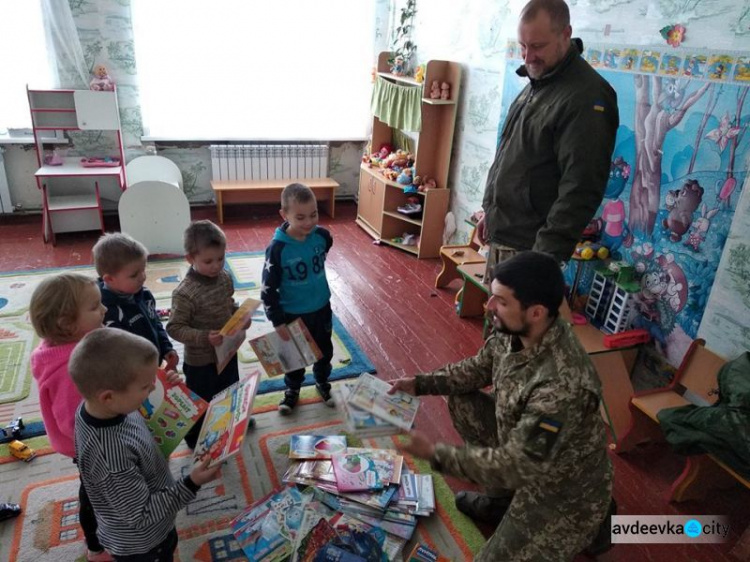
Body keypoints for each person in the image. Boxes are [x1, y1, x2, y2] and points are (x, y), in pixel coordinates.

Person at [389, 252, 613, 561]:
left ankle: (593, 523)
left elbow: (518, 466)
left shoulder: (562, 386)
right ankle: (499, 501)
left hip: (559, 490)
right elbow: (478, 368)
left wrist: (436, 454)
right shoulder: (515, 329)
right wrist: (419, 383)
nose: (489, 306)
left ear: (536, 312)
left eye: (501, 301)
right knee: (463, 398)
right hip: (523, 449)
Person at [477, 0, 619, 279]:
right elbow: (520, 159)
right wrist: (490, 213)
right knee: (499, 320)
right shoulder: (542, 81)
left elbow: (580, 190)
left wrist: (542, 262)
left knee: (518, 322)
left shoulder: (587, 97)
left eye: (537, 46)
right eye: (522, 46)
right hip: (507, 237)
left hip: (531, 250)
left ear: (566, 34)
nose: (527, 57)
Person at [70, 329, 221, 561]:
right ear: (108, 397)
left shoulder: (100, 406)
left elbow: (147, 419)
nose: (152, 388)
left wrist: (168, 387)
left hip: (151, 514)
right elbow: (142, 515)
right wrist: (192, 482)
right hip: (144, 544)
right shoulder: (112, 459)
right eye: (145, 386)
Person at [29, 273, 113, 562]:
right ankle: (96, 547)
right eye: (94, 307)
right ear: (67, 324)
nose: (103, 310)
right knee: (95, 495)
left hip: (102, 434)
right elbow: (73, 422)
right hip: (91, 444)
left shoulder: (77, 343)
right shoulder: (69, 369)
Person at [166, 220, 250, 449]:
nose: (216, 265)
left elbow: (228, 304)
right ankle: (196, 439)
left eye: (221, 258)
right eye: (208, 261)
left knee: (229, 390)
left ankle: (229, 423)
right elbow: (174, 327)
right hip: (200, 361)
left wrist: (240, 317)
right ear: (190, 258)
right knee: (201, 401)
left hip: (227, 352)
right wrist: (204, 337)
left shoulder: (224, 277)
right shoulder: (184, 293)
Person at [261, 183, 334, 414]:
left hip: (321, 307)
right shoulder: (278, 249)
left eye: (314, 215)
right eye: (300, 217)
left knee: (324, 351)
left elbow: (325, 249)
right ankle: (292, 390)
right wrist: (277, 321)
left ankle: (322, 382)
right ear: (284, 215)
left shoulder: (322, 236)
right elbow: (268, 289)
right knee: (295, 357)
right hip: (293, 313)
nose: (309, 222)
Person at [93, 232, 178, 367]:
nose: (143, 277)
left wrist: (166, 348)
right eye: (134, 275)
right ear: (109, 279)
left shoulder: (144, 294)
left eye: (143, 269)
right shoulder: (105, 312)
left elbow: (155, 323)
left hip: (153, 364)